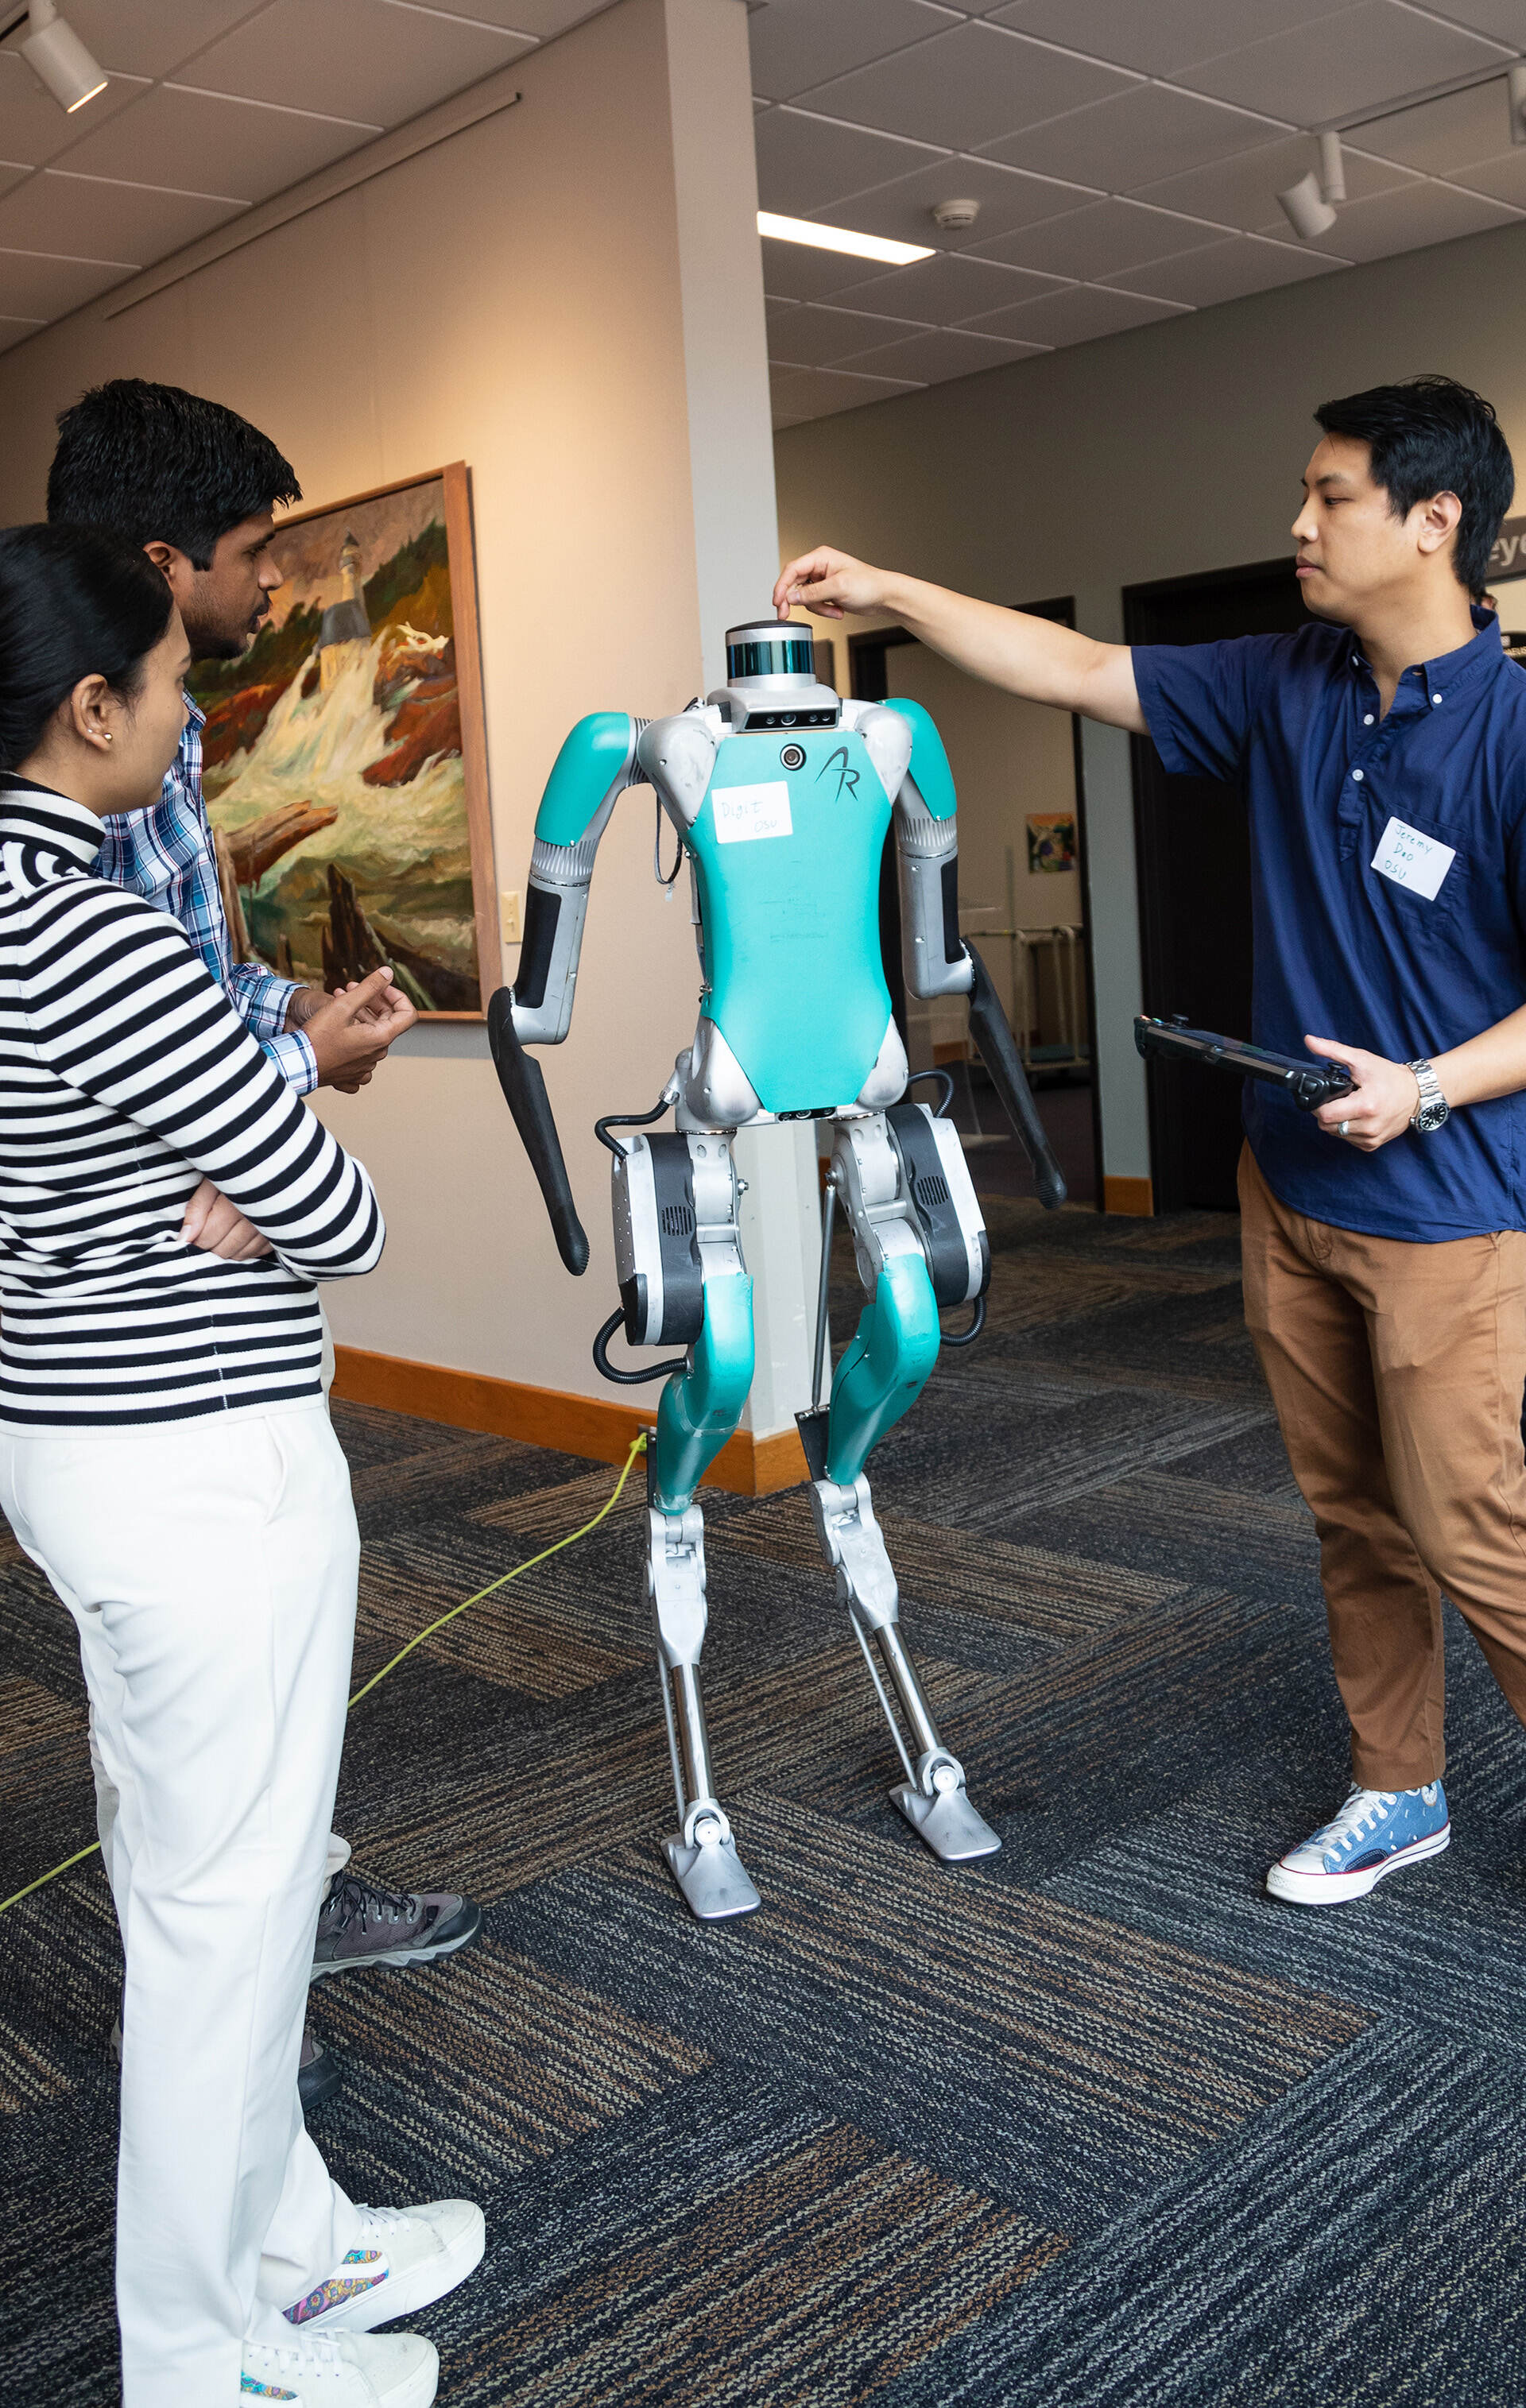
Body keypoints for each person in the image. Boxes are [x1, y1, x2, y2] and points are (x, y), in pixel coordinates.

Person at [776, 375, 1526, 1908]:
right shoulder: (1288, 680)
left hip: (1449, 1201)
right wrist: (893, 590)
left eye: (1330, 497)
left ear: (1435, 521)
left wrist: (1431, 1085)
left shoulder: (1517, 734)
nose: (1296, 523)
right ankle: (1400, 1787)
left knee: (1471, 1516)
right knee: (1354, 1514)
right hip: (1289, 1187)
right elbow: (1072, 663)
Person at [0, 523, 482, 2404]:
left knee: (216, 1877)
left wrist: (188, 1202)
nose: (197, 714)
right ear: (90, 705)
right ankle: (202, 2356)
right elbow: (332, 1213)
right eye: (181, 687)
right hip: (191, 1462)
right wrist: (235, 1194)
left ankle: (297, 2243)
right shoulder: (86, 924)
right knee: (225, 1919)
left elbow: (180, 1176)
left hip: (91, 1441)